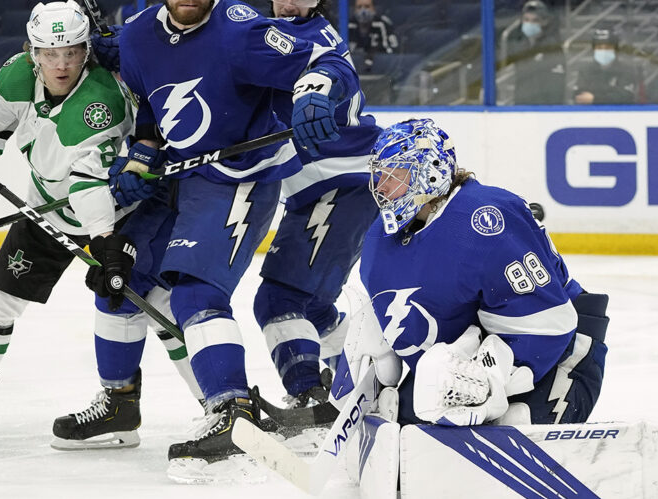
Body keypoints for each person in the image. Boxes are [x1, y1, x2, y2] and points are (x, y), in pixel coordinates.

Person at [60, 0, 359, 475]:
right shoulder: (138, 35)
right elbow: (153, 115)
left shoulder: (240, 30)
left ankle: (231, 411)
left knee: (196, 293)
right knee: (120, 280)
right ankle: (119, 404)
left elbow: (323, 60)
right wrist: (142, 157)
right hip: (179, 179)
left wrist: (315, 93)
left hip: (238, 179)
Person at [0, 0, 139, 439]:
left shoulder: (98, 101)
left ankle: (216, 403)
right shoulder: (18, 72)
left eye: (72, 52)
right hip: (46, 206)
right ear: (33, 52)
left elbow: (87, 183)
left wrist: (104, 241)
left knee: (145, 307)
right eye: (49, 53)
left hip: (115, 216)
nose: (61, 64)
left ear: (86, 50)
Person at [359, 118, 609, 427]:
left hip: (563, 348)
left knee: (513, 426)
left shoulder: (485, 219)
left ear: (429, 172)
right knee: (405, 420)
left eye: (393, 176)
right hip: (471, 350)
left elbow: (550, 322)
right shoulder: (380, 235)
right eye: (379, 176)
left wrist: (488, 378)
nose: (381, 187)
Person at [252, 0, 381, 409]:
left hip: (341, 184)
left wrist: (314, 91)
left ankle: (309, 396)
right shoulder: (266, 32)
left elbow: (329, 72)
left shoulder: (313, 37)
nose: (290, 1)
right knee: (316, 308)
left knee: (279, 300)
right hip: (329, 189)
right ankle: (364, 385)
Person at [500, 0, 566, 105]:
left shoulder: (552, 47)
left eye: (535, 20)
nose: (529, 24)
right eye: (526, 19)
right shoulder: (519, 45)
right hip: (521, 105)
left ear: (544, 22)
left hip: (544, 108)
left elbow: (557, 86)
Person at [573, 27, 640, 105]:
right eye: (599, 48)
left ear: (615, 49)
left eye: (607, 48)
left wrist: (595, 99)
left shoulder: (627, 70)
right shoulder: (585, 70)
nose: (603, 51)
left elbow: (625, 97)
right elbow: (579, 95)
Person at [347, 0, 399, 72]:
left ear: (373, 8)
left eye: (367, 6)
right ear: (354, 10)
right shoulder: (348, 25)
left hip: (382, 68)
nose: (363, 10)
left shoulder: (382, 24)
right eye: (359, 7)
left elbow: (392, 50)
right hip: (353, 69)